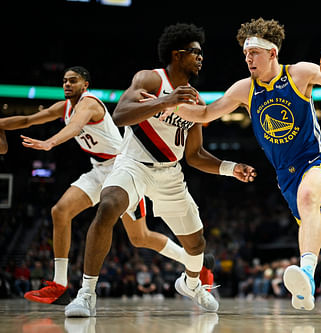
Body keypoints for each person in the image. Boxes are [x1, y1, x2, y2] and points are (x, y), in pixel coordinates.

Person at [164, 18, 321, 310]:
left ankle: (307, 278)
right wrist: (166, 103)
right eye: (246, 54)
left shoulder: (300, 74)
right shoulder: (244, 89)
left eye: (255, 53)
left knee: (309, 196)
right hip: (286, 177)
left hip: (315, 161)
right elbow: (205, 114)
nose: (248, 58)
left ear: (272, 53)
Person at [65, 23, 256, 317]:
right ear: (177, 55)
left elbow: (194, 155)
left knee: (197, 243)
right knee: (109, 206)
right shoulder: (151, 78)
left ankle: (191, 284)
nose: (201, 58)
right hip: (132, 164)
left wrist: (231, 168)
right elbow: (120, 115)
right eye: (196, 53)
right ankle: (86, 294)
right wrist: (166, 100)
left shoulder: (195, 99)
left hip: (170, 173)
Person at [0, 66, 212, 305]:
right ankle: (59, 285)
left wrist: (50, 142)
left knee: (140, 237)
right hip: (98, 169)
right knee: (60, 212)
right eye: (64, 81)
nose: (67, 84)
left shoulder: (89, 104)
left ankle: (194, 262)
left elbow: (75, 127)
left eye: (73, 80)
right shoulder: (63, 107)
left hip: (123, 168)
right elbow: (28, 119)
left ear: (85, 85)